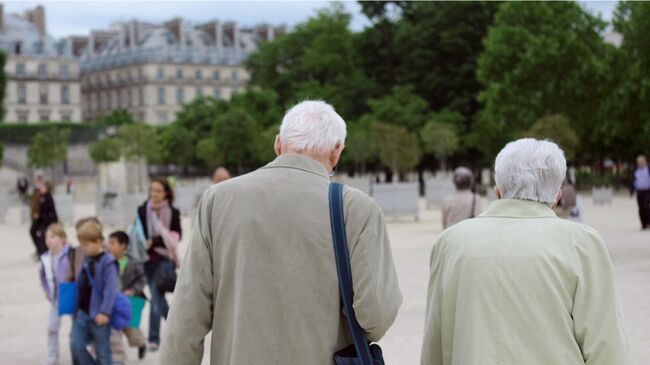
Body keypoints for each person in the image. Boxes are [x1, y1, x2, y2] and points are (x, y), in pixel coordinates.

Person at [161, 100, 402, 364]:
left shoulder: (217, 200)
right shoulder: (357, 209)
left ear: (278, 144)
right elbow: (376, 318)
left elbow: (186, 318)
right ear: (336, 152)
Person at [421, 138, 631, 365]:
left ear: (497, 192)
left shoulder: (450, 242)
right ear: (556, 198)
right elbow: (606, 348)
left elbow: (435, 343)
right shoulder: (582, 243)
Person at [138, 177, 182, 352]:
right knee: (158, 299)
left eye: (158, 190)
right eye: (151, 190)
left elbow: (177, 236)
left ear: (166, 193)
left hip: (165, 260)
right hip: (147, 260)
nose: (154, 194)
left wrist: (155, 240)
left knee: (156, 298)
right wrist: (144, 242)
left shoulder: (173, 212)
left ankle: (156, 338)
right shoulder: (143, 210)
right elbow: (138, 232)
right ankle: (174, 328)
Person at [70, 218, 119, 365]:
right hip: (82, 313)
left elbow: (110, 290)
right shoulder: (87, 260)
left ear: (98, 241)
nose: (83, 248)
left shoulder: (108, 262)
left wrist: (104, 312)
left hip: (99, 314)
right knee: (76, 346)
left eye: (86, 244)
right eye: (81, 244)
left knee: (103, 354)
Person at [107, 230, 148, 361]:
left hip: (128, 301)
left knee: (131, 328)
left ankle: (141, 344)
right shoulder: (106, 262)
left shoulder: (133, 263)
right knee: (115, 329)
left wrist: (133, 290)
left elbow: (142, 279)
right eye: (109, 243)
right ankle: (118, 357)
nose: (109, 246)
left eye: (113, 243)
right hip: (112, 301)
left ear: (123, 246)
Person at [39, 223, 73, 365]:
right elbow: (42, 276)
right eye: (47, 237)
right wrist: (47, 291)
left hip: (71, 297)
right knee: (52, 327)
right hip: (55, 299)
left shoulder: (71, 253)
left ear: (63, 239)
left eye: (53, 236)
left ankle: (86, 351)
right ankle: (53, 354)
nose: (48, 240)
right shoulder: (45, 258)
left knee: (78, 326)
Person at [630, 154, 650, 229]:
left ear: (645, 161)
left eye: (641, 162)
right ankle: (644, 224)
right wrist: (632, 191)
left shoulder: (648, 168)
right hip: (639, 191)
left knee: (646, 206)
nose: (640, 163)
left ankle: (648, 222)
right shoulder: (636, 170)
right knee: (640, 208)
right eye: (639, 162)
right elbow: (633, 181)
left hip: (648, 191)